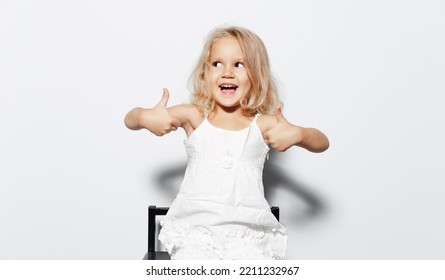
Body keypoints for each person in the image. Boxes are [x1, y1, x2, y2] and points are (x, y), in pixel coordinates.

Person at [124, 26, 329, 259]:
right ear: (205, 74)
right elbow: (129, 119)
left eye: (239, 64)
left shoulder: (262, 125)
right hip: (197, 233)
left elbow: (322, 142)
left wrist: (299, 134)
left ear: (256, 76)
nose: (227, 73)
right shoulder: (195, 117)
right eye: (217, 64)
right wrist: (144, 117)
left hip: (247, 235)